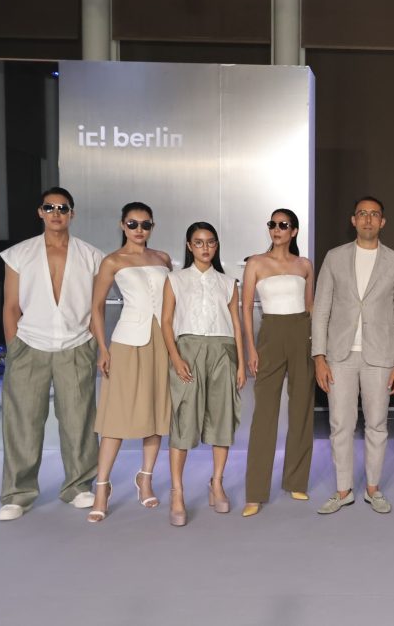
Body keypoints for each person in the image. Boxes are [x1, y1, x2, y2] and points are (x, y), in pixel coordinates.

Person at [0, 187, 104, 521]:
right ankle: (17, 494)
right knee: (22, 422)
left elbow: (97, 307)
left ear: (72, 213)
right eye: (50, 207)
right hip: (29, 345)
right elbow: (10, 306)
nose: (56, 213)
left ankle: (78, 486)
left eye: (63, 208)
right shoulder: (19, 254)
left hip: (77, 344)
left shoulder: (91, 255)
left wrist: (96, 345)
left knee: (79, 421)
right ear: (40, 212)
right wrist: (14, 348)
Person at [312, 196, 394, 515]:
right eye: (362, 214)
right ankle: (343, 491)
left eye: (374, 214)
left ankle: (372, 489)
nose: (368, 219)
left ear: (383, 222)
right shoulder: (334, 257)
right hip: (339, 356)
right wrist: (319, 356)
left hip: (380, 356)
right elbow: (321, 309)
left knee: (377, 424)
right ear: (353, 220)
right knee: (340, 425)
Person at [87, 202, 173, 523]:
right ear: (123, 225)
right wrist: (102, 348)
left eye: (145, 224)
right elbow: (96, 307)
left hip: (162, 341)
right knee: (116, 416)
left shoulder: (163, 258)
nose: (139, 230)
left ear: (152, 226)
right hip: (126, 341)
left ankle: (145, 478)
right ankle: (102, 487)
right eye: (133, 224)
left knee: (157, 411)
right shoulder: (112, 261)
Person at [161, 222, 246, 526]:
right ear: (189, 246)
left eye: (210, 242)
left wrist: (241, 363)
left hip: (223, 351)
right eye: (198, 242)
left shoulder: (228, 282)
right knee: (184, 420)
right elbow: (166, 321)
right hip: (188, 350)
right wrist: (175, 357)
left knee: (222, 418)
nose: (205, 248)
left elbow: (236, 323)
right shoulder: (175, 279)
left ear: (216, 245)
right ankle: (177, 492)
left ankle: (217, 483)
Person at [240, 209, 315, 517]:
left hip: (302, 333)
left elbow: (310, 306)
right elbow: (246, 307)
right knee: (264, 415)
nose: (277, 229)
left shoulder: (304, 265)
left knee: (302, 409)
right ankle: (255, 492)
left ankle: (296, 480)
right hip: (270, 333)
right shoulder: (256, 263)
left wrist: (317, 347)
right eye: (272, 224)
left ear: (294, 231)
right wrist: (251, 348)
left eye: (283, 225)